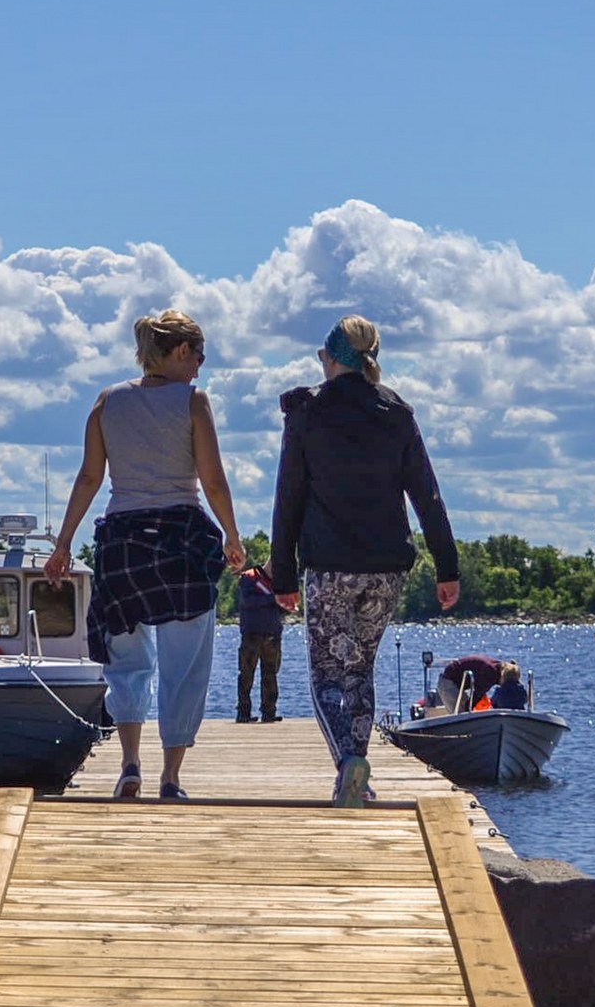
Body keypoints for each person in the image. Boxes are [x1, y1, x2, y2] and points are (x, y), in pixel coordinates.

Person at [45, 309, 247, 800]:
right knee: (185, 662)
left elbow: (90, 478)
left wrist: (64, 543)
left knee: (126, 660)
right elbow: (213, 480)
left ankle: (130, 763)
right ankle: (171, 777)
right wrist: (233, 535)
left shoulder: (107, 402)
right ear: (179, 352)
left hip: (123, 542)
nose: (200, 366)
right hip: (179, 540)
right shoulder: (193, 402)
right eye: (198, 355)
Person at [270, 315, 460, 807]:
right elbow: (428, 495)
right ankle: (359, 773)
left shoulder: (308, 412)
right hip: (386, 568)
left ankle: (348, 765)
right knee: (361, 671)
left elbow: (288, 497)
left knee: (325, 675)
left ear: (330, 359)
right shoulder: (396, 412)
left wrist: (282, 575)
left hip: (330, 565)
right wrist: (448, 567)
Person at [233, 560, 288, 722]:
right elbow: (248, 602)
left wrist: (284, 602)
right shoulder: (249, 578)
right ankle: (243, 713)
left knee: (271, 675)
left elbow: (283, 607)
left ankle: (269, 712)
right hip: (252, 635)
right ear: (269, 564)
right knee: (246, 675)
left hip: (273, 635)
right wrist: (273, 599)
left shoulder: (278, 583)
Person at [439, 654, 507, 712]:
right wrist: (468, 709)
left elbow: (480, 686)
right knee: (461, 715)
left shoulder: (497, 666)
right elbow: (478, 693)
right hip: (448, 682)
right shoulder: (492, 671)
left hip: (455, 681)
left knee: (466, 710)